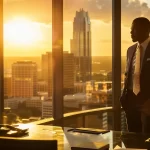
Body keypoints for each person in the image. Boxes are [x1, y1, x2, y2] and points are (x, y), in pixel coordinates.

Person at [120, 17, 150, 133]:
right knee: (133, 135)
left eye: (134, 29)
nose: (131, 32)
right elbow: (128, 74)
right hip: (131, 99)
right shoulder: (130, 50)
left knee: (147, 136)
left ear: (145, 30)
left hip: (147, 100)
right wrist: (124, 97)